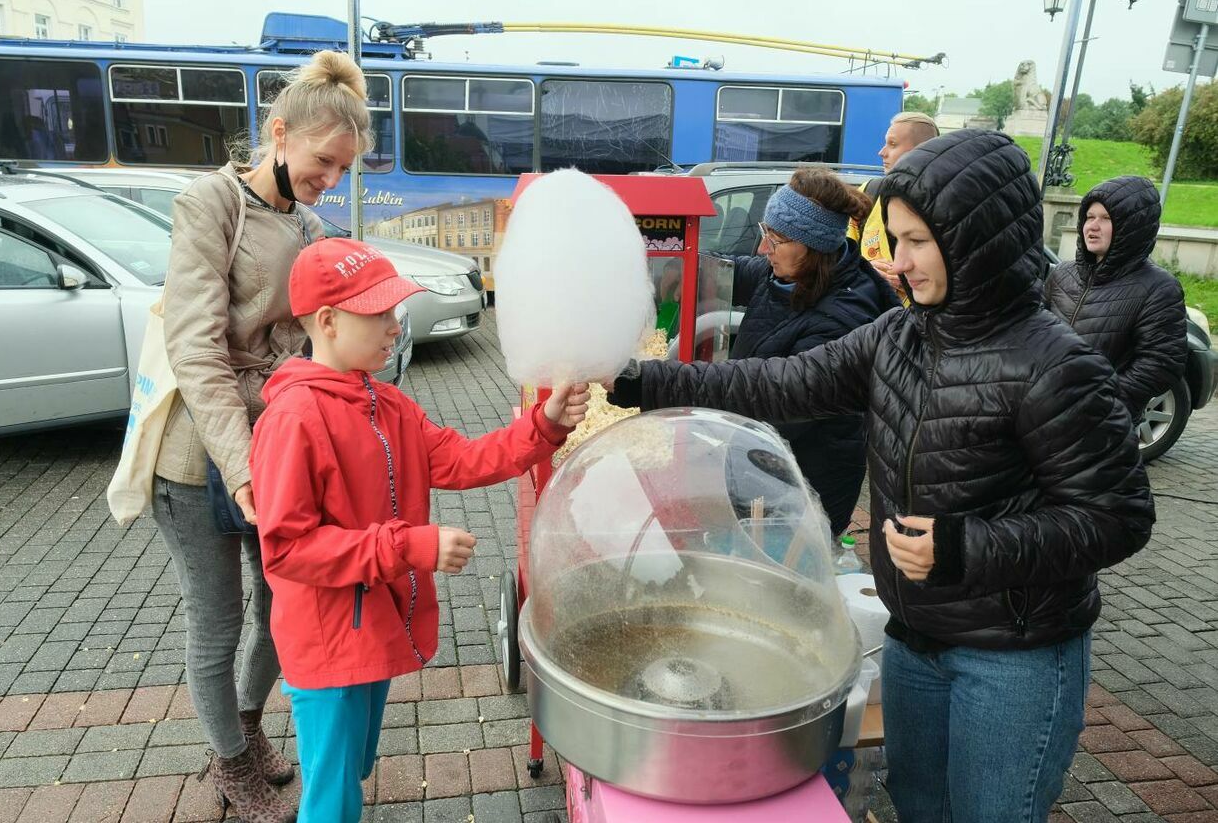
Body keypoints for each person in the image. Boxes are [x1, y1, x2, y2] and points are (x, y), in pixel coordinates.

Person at [608, 129, 1154, 821]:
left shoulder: (1057, 367)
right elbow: (780, 382)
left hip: (1013, 656)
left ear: (976, 237)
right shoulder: (898, 337)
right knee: (919, 804)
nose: (898, 262)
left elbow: (1118, 517)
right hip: (913, 639)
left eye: (917, 242)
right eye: (892, 241)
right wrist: (634, 381)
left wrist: (963, 546)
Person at [249, 237, 588, 823]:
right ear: (327, 321)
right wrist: (411, 546)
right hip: (326, 638)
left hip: (375, 620)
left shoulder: (387, 404)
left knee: (354, 765)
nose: (393, 324)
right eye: (377, 312)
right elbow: (288, 548)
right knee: (330, 797)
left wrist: (544, 425)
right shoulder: (293, 417)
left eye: (392, 309)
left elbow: (463, 458)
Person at [151, 50, 370, 822]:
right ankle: (229, 758)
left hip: (276, 445)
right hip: (197, 455)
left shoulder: (309, 225)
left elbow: (319, 342)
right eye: (323, 161)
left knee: (284, 604)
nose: (331, 180)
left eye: (343, 168)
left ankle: (246, 725)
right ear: (280, 134)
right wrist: (241, 467)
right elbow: (196, 351)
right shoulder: (211, 205)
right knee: (216, 618)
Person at [726, 169, 898, 537]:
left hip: (805, 487)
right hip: (763, 465)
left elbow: (781, 405)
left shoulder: (843, 318)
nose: (762, 249)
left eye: (776, 239)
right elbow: (722, 271)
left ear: (814, 246)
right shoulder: (781, 275)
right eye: (764, 232)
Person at [1044, 175, 1187, 423]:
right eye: (1089, 217)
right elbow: (1034, 331)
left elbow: (1162, 362)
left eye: (1106, 218)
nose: (1092, 226)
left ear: (1132, 226)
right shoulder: (1061, 274)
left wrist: (1103, 401)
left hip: (1101, 425)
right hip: (1042, 414)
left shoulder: (1158, 287)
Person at [849, 111, 939, 299]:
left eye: (893, 144)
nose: (882, 152)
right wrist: (865, 269)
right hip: (872, 316)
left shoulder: (946, 201)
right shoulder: (868, 192)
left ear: (921, 150)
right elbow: (841, 253)